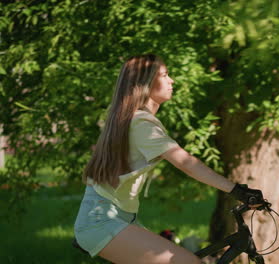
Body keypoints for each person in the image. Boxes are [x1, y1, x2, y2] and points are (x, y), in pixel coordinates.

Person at [73, 54, 264, 264]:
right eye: (164, 75)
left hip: (117, 217)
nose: (171, 80)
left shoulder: (133, 118)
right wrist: (237, 191)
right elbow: (186, 163)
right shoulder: (141, 125)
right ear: (144, 83)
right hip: (102, 221)